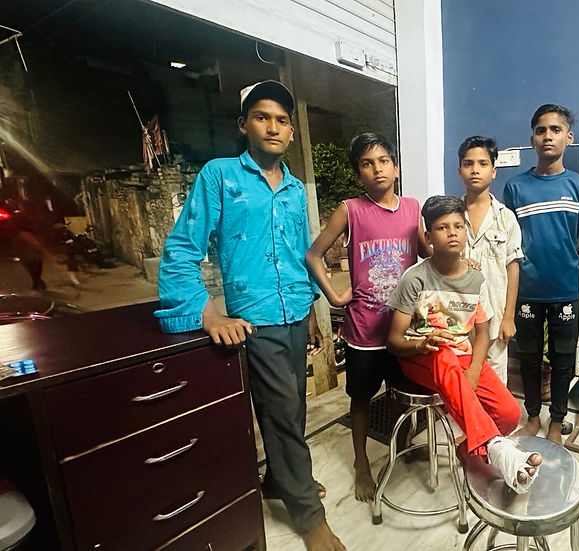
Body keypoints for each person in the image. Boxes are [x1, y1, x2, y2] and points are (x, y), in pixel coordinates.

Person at [155, 80, 344, 551]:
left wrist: (315, 317)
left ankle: (279, 481)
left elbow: (303, 254)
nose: (273, 127)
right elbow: (182, 247)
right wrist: (207, 312)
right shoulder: (221, 176)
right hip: (254, 321)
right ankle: (308, 515)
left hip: (295, 314)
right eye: (262, 117)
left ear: (292, 132)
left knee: (292, 410)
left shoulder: (297, 189)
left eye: (282, 120)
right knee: (281, 416)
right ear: (244, 125)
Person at [386, 195, 542, 493]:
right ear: (429, 237)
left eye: (458, 226)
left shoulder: (475, 280)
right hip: (421, 358)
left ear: (466, 233)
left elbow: (483, 334)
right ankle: (497, 448)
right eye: (443, 228)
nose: (453, 232)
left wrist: (473, 370)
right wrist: (421, 344)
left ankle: (470, 448)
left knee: (510, 413)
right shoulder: (415, 279)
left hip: (461, 358)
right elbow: (393, 341)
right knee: (442, 350)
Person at [306, 132, 428, 503]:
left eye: (383, 161)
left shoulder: (412, 207)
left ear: (396, 166)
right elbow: (313, 256)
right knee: (360, 400)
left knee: (400, 395)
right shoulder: (351, 210)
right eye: (366, 163)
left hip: (401, 328)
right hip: (363, 332)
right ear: (359, 173)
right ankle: (361, 463)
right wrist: (335, 295)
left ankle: (398, 449)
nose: (376, 169)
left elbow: (427, 252)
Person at [503, 104, 579, 444]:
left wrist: (559, 258)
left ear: (568, 138)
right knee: (527, 359)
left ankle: (556, 421)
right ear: (532, 139)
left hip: (564, 291)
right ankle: (532, 416)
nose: (548, 136)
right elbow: (511, 240)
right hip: (526, 291)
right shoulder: (515, 187)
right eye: (541, 130)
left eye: (555, 130)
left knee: (561, 361)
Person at [459, 136, 522, 381]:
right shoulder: (451, 216)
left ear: (494, 171)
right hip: (458, 320)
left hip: (494, 319)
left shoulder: (506, 218)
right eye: (468, 163)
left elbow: (512, 268)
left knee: (494, 385)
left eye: (483, 164)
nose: (475, 169)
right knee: (460, 384)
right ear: (460, 170)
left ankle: (492, 423)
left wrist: (508, 317)